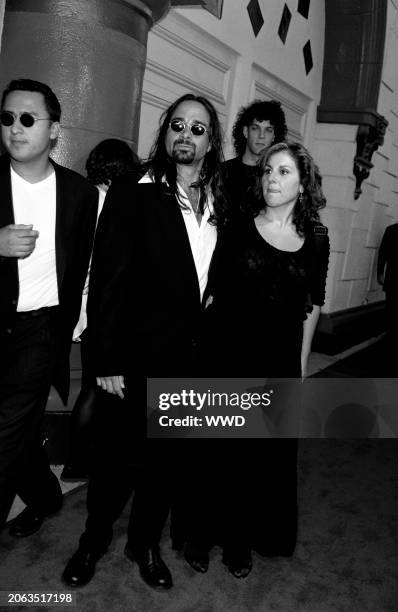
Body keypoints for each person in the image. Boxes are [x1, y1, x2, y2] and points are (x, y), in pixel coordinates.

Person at [62, 92, 228, 590]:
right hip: (133, 357)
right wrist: (105, 359)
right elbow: (107, 280)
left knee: (164, 462)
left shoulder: (221, 202)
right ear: (165, 132)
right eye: (178, 124)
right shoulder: (135, 191)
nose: (186, 134)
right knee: (116, 462)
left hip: (189, 361)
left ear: (211, 141)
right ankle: (92, 540)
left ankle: (145, 544)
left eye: (198, 128)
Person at [183, 141, 330, 577]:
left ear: (303, 184)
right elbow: (214, 294)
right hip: (227, 353)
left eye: (284, 172)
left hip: (278, 359)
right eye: (268, 170)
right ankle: (199, 533)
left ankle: (239, 541)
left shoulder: (317, 237)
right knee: (216, 450)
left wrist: (299, 366)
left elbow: (314, 302)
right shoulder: (239, 226)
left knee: (258, 457)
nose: (271, 179)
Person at [0, 79, 98, 534]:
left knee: (4, 436)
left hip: (40, 333)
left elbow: (80, 267)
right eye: (7, 118)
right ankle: (43, 494)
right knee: (15, 435)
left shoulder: (80, 194)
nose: (15, 129)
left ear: (54, 130)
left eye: (27, 119)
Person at [61, 138, 141, 482]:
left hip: (80, 307)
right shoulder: (109, 203)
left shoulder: (81, 196)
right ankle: (78, 462)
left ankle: (81, 459)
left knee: (96, 386)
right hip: (98, 309)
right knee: (97, 386)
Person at [224, 99, 287, 210]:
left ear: (274, 136)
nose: (261, 135)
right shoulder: (222, 172)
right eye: (255, 128)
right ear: (245, 132)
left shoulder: (277, 178)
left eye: (268, 130)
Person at [377, 222, 398, 363]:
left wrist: (380, 272)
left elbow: (382, 252)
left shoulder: (391, 230)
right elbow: (383, 252)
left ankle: (391, 339)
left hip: (393, 278)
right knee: (391, 308)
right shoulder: (391, 230)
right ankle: (391, 338)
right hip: (393, 278)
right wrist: (379, 272)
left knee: (391, 308)